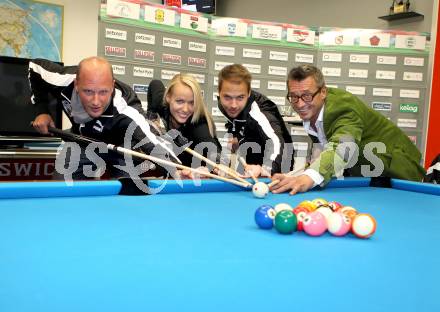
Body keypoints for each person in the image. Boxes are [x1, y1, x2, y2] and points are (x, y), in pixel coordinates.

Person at [271, 64, 426, 195]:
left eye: (306, 96)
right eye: (294, 97)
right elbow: (325, 153)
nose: (299, 104)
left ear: (323, 92)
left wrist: (309, 177)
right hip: (368, 174)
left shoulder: (344, 108)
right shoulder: (314, 113)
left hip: (397, 169)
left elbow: (343, 147)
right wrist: (295, 176)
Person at [29, 56, 178, 180]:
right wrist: (42, 110)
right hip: (81, 141)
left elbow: (152, 141)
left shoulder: (124, 108)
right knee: (62, 190)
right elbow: (34, 67)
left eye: (103, 92)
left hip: (121, 147)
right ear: (76, 84)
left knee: (129, 196)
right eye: (88, 91)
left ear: (112, 87)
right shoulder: (62, 80)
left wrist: (177, 170)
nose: (95, 101)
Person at [217, 64, 293, 177]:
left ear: (248, 93)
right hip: (251, 153)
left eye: (240, 97)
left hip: (279, 159)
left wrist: (266, 168)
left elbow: (276, 142)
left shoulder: (259, 110)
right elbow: (236, 121)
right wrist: (236, 136)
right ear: (219, 93)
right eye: (227, 97)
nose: (233, 105)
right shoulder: (222, 105)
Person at [147, 74, 222, 171]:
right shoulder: (160, 105)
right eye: (180, 101)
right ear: (168, 97)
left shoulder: (199, 124)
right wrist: (151, 117)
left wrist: (217, 164)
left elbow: (213, 151)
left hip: (195, 177)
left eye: (192, 102)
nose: (186, 109)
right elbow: (155, 84)